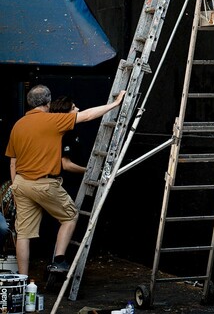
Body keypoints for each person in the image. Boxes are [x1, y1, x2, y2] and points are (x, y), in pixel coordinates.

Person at [5, 84, 125, 276]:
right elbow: (87, 115)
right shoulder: (53, 121)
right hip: (44, 183)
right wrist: (116, 103)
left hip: (20, 183)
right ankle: (59, 260)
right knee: (70, 217)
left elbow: (13, 162)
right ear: (48, 102)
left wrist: (16, 188)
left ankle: (23, 281)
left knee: (24, 235)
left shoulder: (18, 125)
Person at [49, 97, 87, 175]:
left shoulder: (72, 129)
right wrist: (89, 172)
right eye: (73, 108)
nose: (78, 109)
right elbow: (66, 165)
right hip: (66, 182)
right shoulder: (62, 135)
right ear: (65, 115)